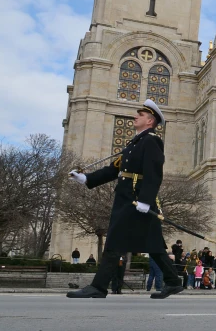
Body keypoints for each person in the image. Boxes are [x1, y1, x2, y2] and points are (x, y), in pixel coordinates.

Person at [66, 99, 184, 299]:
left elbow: (154, 173)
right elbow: (115, 169)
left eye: (140, 114)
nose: (135, 116)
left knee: (115, 240)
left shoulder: (151, 141)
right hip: (127, 198)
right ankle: (173, 282)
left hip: (136, 200)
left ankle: (99, 287)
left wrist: (146, 200)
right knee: (153, 245)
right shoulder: (134, 143)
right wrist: (87, 178)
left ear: (150, 121)